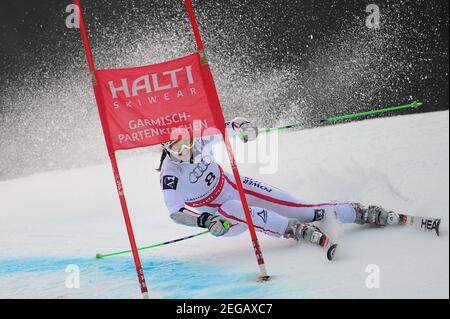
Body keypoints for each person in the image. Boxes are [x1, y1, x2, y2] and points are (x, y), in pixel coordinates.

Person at [158, 118, 403, 248]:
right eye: (178, 147)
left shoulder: (201, 140)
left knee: (303, 209)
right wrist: (204, 221)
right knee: (232, 209)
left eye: (188, 142)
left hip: (233, 186)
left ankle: (359, 212)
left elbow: (229, 125)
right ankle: (290, 229)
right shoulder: (171, 174)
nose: (187, 150)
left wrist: (244, 127)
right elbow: (175, 213)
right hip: (221, 219)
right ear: (167, 149)